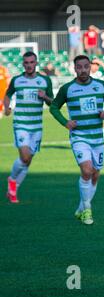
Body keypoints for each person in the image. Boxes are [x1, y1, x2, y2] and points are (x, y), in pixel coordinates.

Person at [50, 55, 104, 225]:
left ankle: (81, 208)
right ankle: (87, 210)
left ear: (90, 67)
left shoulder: (100, 85)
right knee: (87, 171)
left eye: (86, 66)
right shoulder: (67, 89)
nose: (83, 70)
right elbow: (54, 107)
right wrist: (65, 122)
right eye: (79, 67)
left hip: (97, 138)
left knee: (95, 174)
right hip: (79, 137)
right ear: (74, 68)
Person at [3, 52, 53, 203]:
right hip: (21, 124)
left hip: (36, 126)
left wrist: (45, 97)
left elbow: (52, 102)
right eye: (26, 62)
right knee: (24, 157)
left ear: (36, 63)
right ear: (23, 64)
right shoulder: (17, 80)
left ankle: (13, 189)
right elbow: (7, 95)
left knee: (27, 161)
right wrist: (7, 107)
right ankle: (12, 179)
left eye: (32, 62)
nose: (29, 65)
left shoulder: (44, 81)